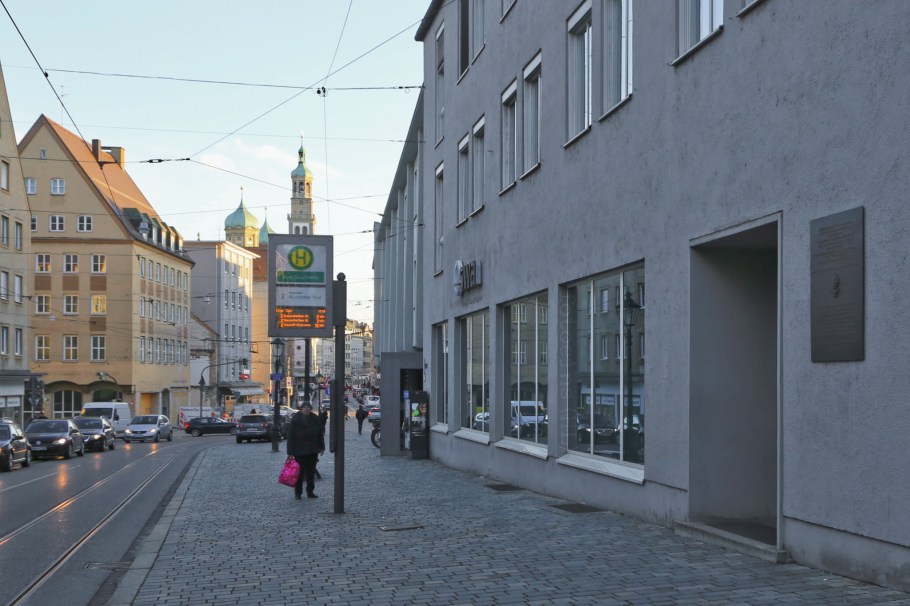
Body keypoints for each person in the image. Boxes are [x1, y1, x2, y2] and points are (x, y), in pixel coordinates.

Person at [286, 402, 325, 499]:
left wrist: (322, 447)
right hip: (299, 451)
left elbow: (320, 434)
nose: (306, 409)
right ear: (301, 409)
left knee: (311, 473)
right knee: (299, 473)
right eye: (304, 407)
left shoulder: (315, 418)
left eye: (308, 407)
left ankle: (310, 492)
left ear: (310, 408)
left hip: (312, 450)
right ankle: (298, 493)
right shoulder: (295, 419)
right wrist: (290, 452)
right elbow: (290, 437)